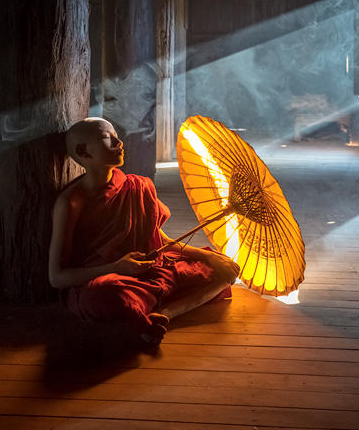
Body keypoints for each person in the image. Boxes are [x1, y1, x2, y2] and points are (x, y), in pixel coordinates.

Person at [48, 117, 239, 347]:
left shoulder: (137, 186)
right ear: (83, 152)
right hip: (108, 277)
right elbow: (57, 277)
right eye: (107, 138)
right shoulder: (71, 203)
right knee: (102, 296)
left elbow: (159, 240)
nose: (119, 142)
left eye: (116, 135)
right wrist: (117, 267)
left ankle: (164, 314)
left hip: (150, 268)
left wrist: (206, 255)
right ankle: (149, 307)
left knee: (223, 269)